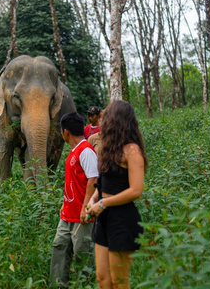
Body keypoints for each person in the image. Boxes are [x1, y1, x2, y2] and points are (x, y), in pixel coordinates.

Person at [87, 100, 148, 289]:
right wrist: (94, 197)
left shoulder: (132, 151)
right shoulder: (108, 149)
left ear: (118, 120)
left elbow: (136, 191)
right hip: (103, 216)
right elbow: (105, 182)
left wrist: (104, 204)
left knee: (119, 282)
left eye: (107, 117)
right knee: (103, 279)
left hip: (122, 218)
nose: (102, 121)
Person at [50, 112, 99, 288]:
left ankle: (85, 285)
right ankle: (58, 285)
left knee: (82, 254)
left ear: (65, 132)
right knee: (59, 247)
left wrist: (86, 208)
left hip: (82, 215)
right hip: (67, 214)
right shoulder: (73, 151)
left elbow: (93, 180)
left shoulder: (86, 151)